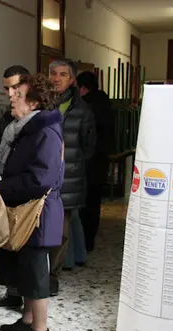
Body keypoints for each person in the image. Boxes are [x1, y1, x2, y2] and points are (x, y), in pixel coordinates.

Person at [0, 74, 64, 331]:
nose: (11, 96)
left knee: (36, 273)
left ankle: (41, 330)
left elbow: (41, 180)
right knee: (25, 269)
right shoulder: (28, 128)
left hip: (39, 213)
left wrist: (1, 188)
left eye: (18, 93)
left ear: (34, 102)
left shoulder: (45, 132)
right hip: (27, 209)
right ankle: (27, 319)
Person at [47, 59, 96, 296]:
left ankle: (52, 276)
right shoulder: (41, 104)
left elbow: (89, 148)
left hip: (68, 181)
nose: (57, 78)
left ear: (72, 80)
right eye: (53, 74)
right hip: (41, 177)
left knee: (61, 232)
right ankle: (36, 273)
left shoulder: (83, 110)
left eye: (63, 74)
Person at [0, 64, 31, 309]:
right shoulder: (7, 116)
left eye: (15, 87)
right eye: (6, 88)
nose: (10, 93)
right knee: (9, 246)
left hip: (26, 192)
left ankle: (29, 305)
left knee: (27, 251)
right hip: (7, 188)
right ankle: (12, 293)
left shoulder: (37, 117)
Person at [76, 70, 113, 253]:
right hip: (100, 162)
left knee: (84, 206)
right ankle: (89, 242)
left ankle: (83, 243)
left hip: (88, 164)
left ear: (82, 88)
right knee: (94, 204)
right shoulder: (105, 104)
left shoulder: (87, 108)